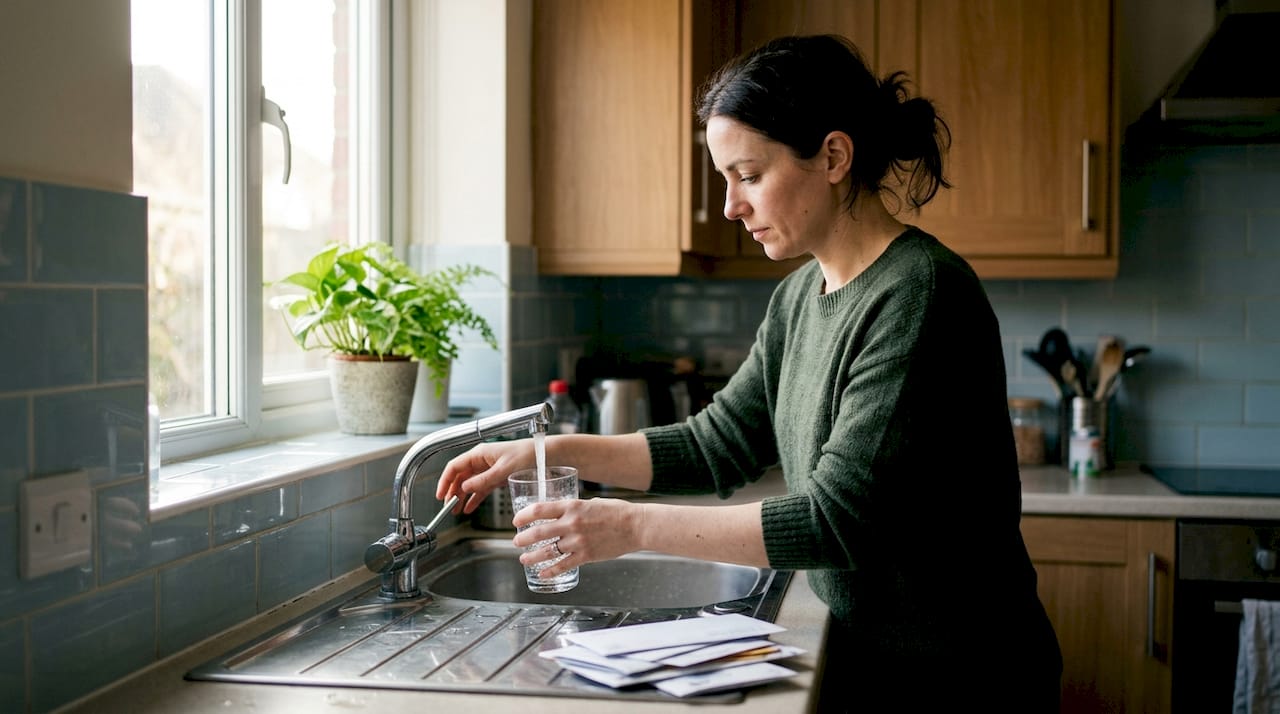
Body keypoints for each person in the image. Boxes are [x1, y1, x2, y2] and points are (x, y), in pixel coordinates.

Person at [437, 34, 1062, 712]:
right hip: (871, 662)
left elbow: (833, 521)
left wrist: (629, 527)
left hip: (958, 676)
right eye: (725, 180)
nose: (732, 206)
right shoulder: (801, 296)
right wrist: (546, 452)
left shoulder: (920, 294)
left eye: (750, 175)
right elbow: (717, 444)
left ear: (833, 156)